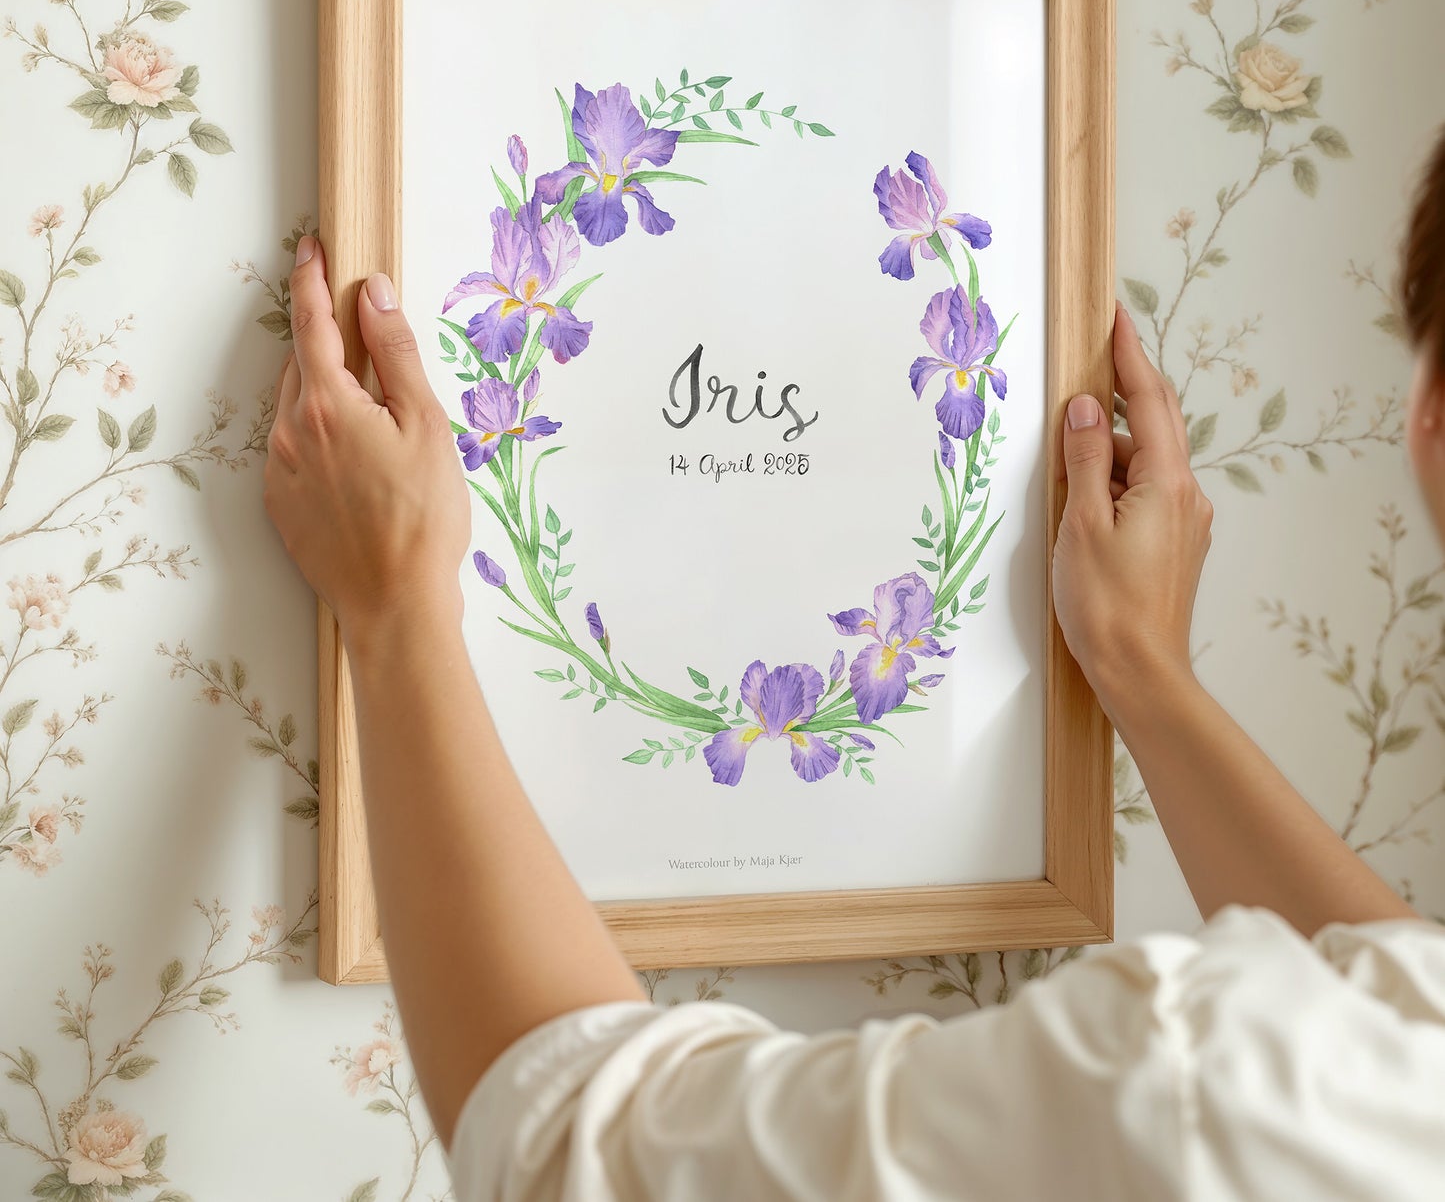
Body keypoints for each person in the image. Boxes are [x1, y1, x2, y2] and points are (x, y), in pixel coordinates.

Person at [262, 139, 1445, 1201]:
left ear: (1430, 415)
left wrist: (399, 601)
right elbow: (1400, 1003)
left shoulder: (1214, 1080)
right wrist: (1139, 665)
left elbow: (572, 1141)